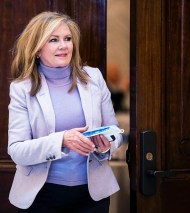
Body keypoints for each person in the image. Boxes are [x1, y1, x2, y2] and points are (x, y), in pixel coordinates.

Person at [7, 11, 123, 213]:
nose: (64, 46)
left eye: (67, 39)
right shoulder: (22, 88)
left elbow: (114, 130)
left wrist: (106, 146)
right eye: (53, 40)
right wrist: (61, 139)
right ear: (36, 49)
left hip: (91, 196)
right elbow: (17, 151)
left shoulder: (94, 78)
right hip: (42, 196)